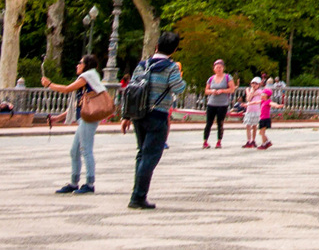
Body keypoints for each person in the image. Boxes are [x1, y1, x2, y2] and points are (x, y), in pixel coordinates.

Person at [120, 29, 190, 210]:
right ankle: (138, 196)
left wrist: (126, 116)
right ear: (174, 50)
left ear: (157, 46)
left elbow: (131, 90)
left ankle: (137, 193)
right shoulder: (171, 67)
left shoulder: (142, 65)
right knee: (151, 156)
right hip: (157, 114)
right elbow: (178, 88)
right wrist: (181, 78)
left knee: (142, 154)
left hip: (138, 114)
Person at [45, 54, 109, 194]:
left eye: (80, 63)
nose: (77, 65)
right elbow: (76, 104)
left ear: (87, 65)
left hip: (89, 118)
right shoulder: (89, 77)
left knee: (86, 149)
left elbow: (67, 89)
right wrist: (58, 118)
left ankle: (90, 184)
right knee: (74, 151)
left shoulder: (87, 76)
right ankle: (74, 183)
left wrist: (50, 85)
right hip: (84, 118)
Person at [199, 60, 235, 148]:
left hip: (223, 103)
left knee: (220, 123)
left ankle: (219, 141)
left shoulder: (228, 77)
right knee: (209, 123)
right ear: (214, 69)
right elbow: (206, 91)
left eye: (220, 67)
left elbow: (232, 89)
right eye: (217, 67)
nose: (219, 69)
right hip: (212, 103)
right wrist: (212, 91)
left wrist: (222, 91)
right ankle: (205, 141)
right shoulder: (211, 79)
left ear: (223, 68)